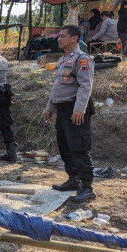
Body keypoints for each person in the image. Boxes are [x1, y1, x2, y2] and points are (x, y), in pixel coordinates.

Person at [44, 25, 96, 202]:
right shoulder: (63, 60)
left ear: (74, 38)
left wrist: (79, 109)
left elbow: (85, 86)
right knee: (65, 146)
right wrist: (49, 107)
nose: (58, 39)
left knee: (78, 147)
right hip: (62, 110)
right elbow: (57, 87)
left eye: (63, 36)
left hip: (75, 109)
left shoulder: (82, 59)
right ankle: (73, 180)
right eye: (58, 36)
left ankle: (87, 187)